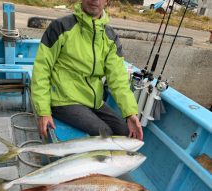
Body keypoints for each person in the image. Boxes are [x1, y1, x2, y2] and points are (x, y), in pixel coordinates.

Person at [31, 0, 143, 140]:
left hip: (93, 101)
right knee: (105, 133)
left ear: (107, 1)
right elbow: (42, 69)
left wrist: (130, 113)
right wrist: (43, 111)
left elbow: (118, 79)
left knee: (124, 131)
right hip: (63, 100)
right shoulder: (60, 27)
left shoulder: (110, 37)